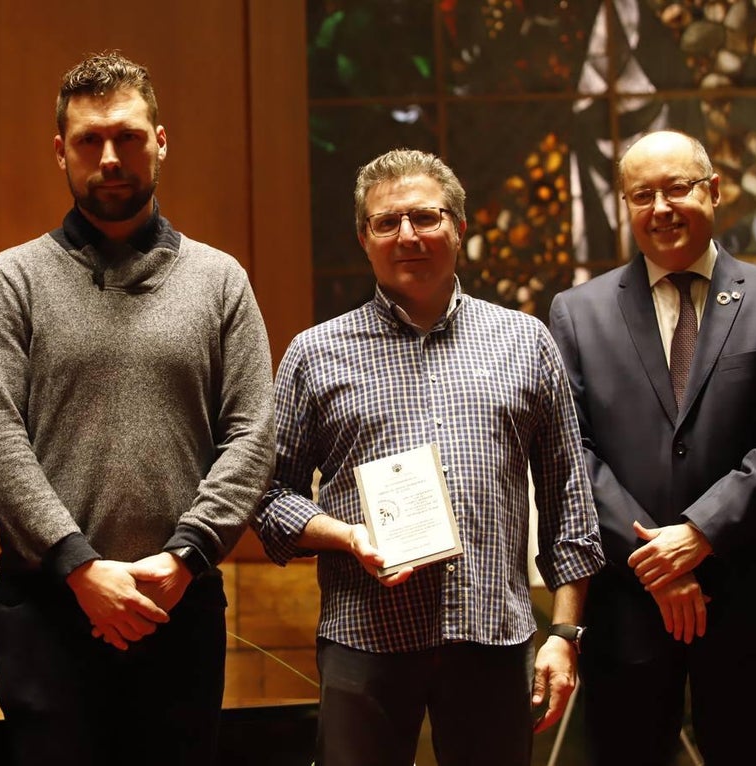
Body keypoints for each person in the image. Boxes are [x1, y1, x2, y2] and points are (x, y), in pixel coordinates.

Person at [0, 52, 275, 766]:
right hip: (47, 612)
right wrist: (80, 568)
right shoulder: (12, 279)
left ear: (161, 141)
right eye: (89, 140)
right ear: (60, 153)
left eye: (128, 137)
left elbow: (254, 434)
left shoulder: (220, 280)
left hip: (180, 604)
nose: (110, 158)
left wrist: (184, 557)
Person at [253, 148, 604, 766]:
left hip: (494, 635)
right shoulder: (314, 353)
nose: (407, 235)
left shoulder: (525, 342)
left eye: (425, 217)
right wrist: (347, 535)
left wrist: (565, 635)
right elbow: (268, 497)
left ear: (459, 228)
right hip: (365, 638)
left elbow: (568, 504)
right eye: (387, 222)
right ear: (364, 239)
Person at [549, 129, 756, 765]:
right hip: (629, 604)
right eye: (642, 195)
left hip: (747, 598)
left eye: (678, 188)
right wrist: (655, 558)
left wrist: (701, 533)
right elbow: (573, 454)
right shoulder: (577, 313)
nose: (661, 208)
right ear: (626, 207)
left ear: (713, 191)